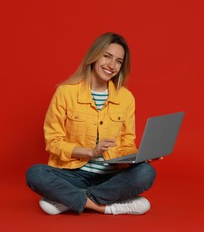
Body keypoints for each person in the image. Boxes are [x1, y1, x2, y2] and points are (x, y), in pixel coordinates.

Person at [26, 32, 157, 215]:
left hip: (110, 177)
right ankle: (106, 207)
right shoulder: (65, 93)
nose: (112, 65)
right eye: (107, 56)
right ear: (94, 56)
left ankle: (69, 200)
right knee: (35, 174)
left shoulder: (126, 98)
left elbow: (127, 142)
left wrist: (140, 156)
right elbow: (53, 142)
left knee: (146, 172)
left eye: (119, 61)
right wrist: (91, 152)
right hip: (73, 174)